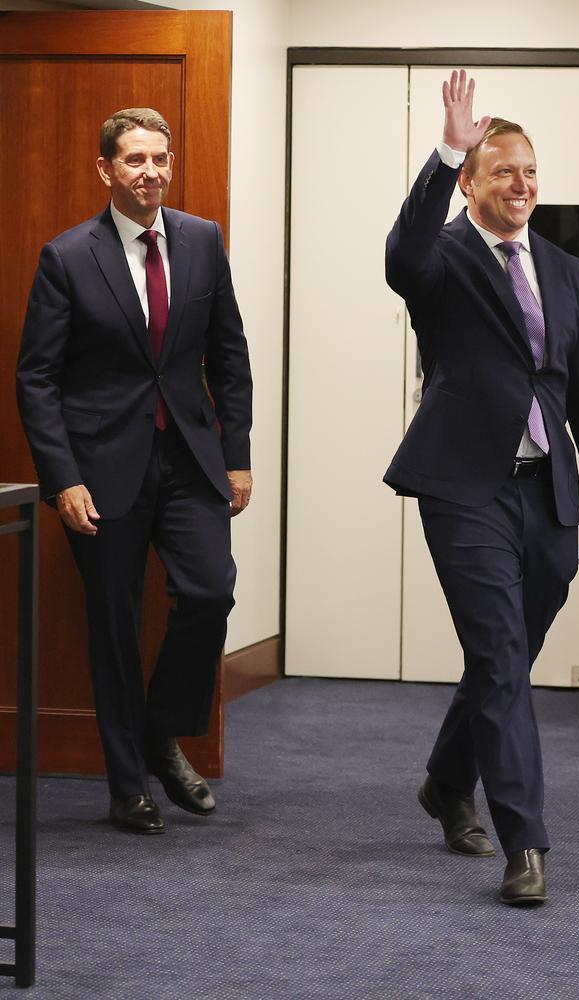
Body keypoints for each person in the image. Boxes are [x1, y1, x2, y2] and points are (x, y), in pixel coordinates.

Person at [384, 71, 579, 904]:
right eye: (502, 171)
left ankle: (446, 781)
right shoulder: (443, 258)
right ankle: (525, 846)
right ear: (472, 180)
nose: (521, 185)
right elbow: (400, 255)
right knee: (498, 653)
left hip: (546, 491)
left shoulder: (563, 269)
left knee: (507, 657)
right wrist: (448, 145)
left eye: (530, 171)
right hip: (463, 485)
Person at [17, 108, 253, 835]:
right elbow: (37, 378)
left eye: (160, 158)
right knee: (113, 626)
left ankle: (161, 730)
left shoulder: (203, 241)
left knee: (210, 592)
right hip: (102, 472)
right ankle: (127, 787)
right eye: (134, 160)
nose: (150, 171)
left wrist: (237, 455)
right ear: (106, 171)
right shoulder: (67, 257)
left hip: (189, 460)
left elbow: (229, 356)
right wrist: (63, 479)